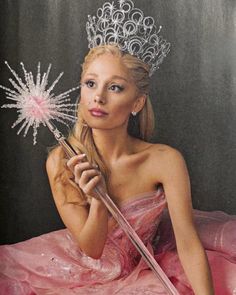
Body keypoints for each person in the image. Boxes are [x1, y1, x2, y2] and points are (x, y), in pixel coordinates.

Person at [0, 1, 236, 294]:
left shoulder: (165, 160)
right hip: (79, 273)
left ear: (136, 102)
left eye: (115, 87)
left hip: (147, 268)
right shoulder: (61, 162)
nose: (97, 97)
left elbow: (188, 243)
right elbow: (93, 249)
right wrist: (98, 198)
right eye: (90, 83)